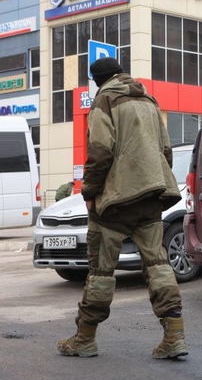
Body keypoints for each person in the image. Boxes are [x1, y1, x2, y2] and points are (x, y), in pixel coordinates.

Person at [57, 57, 188, 359]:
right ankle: (175, 335)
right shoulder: (148, 98)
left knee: (101, 271)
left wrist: (89, 191)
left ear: (97, 80)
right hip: (152, 197)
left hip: (115, 202)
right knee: (158, 265)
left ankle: (85, 338)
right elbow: (166, 151)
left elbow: (100, 151)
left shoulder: (104, 100)